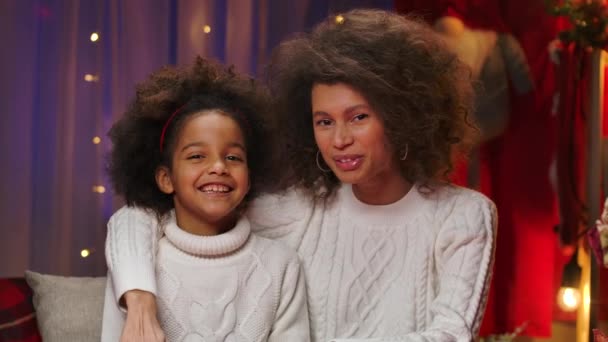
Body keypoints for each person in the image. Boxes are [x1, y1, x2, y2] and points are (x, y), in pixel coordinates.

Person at [106, 9, 497, 342]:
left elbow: (449, 334)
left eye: (358, 117)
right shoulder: (301, 209)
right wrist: (139, 295)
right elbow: (144, 215)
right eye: (323, 121)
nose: (339, 139)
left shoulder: (462, 215)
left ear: (401, 116)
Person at [101, 57, 310, 342]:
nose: (219, 167)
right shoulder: (136, 271)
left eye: (233, 157)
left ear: (250, 175)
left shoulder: (282, 265)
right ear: (166, 179)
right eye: (197, 156)